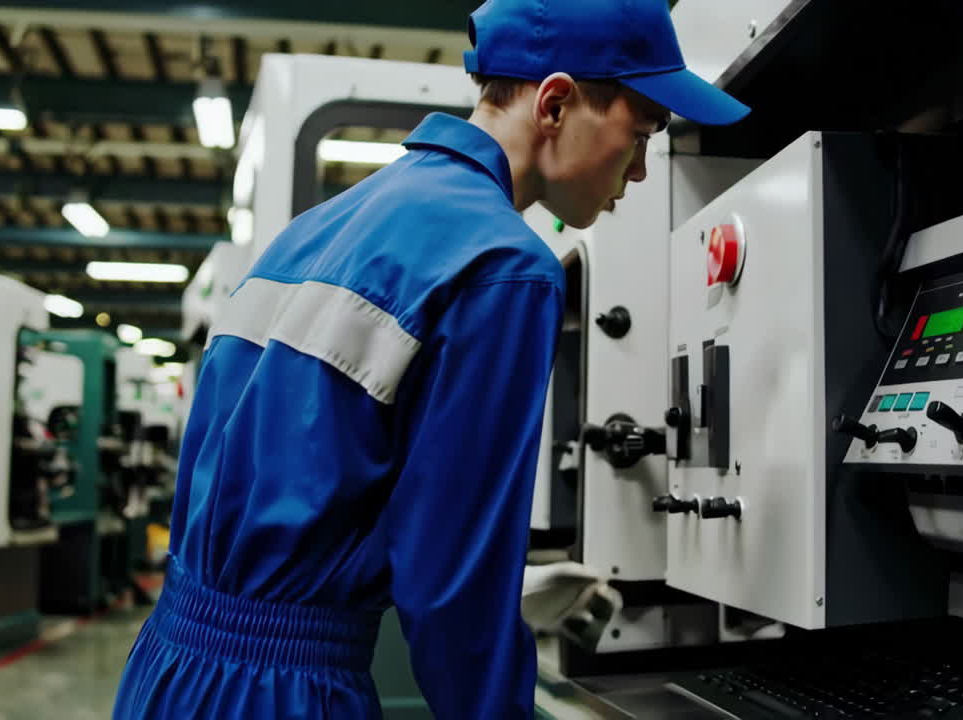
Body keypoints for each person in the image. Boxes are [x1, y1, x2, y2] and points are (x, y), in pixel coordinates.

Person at [112, 0, 749, 717]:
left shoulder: (315, 230)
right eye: (641, 133)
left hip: (168, 668)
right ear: (556, 102)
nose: (638, 171)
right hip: (283, 695)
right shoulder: (505, 266)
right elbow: (452, 589)